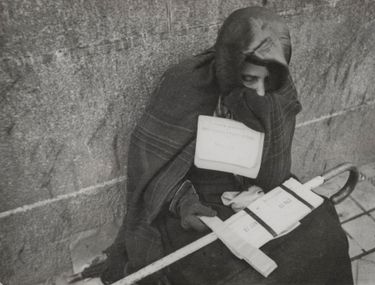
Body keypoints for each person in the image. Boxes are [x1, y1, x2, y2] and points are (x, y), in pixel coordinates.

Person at [79, 6, 353, 285]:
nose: (261, 91)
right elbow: (152, 172)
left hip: (263, 194)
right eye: (250, 79)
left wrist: (255, 108)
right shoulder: (185, 84)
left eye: (267, 81)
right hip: (199, 202)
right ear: (230, 66)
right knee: (236, 277)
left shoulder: (277, 83)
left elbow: (277, 168)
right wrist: (184, 203)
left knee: (328, 240)